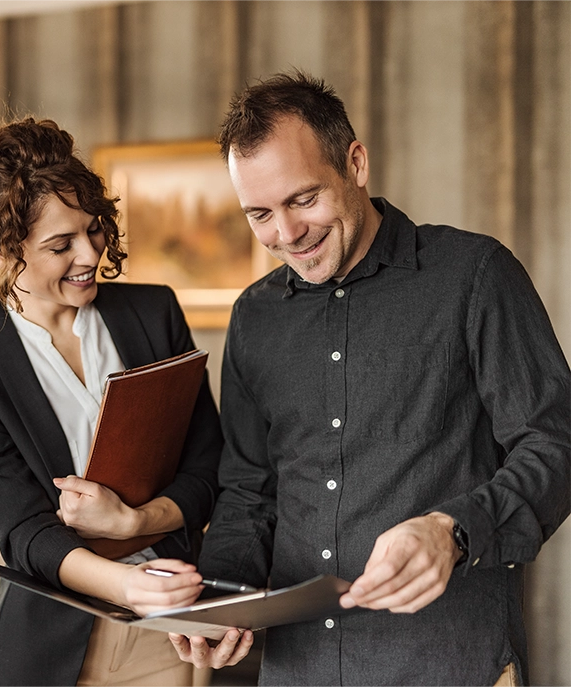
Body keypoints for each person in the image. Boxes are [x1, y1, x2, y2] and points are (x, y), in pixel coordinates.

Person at [171, 70, 571, 686]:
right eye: (259, 213)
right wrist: (220, 603)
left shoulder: (474, 276)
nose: (286, 234)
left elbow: (556, 444)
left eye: (303, 199)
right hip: (297, 670)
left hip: (448, 666)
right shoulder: (253, 317)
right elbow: (249, 493)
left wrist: (454, 531)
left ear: (355, 163)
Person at [0, 117, 241, 687]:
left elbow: (207, 467)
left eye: (93, 231)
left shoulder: (153, 315)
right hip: (48, 628)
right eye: (59, 244)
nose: (88, 254)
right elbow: (22, 530)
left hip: (167, 627)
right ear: (0, 251)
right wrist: (126, 586)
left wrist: (136, 521)